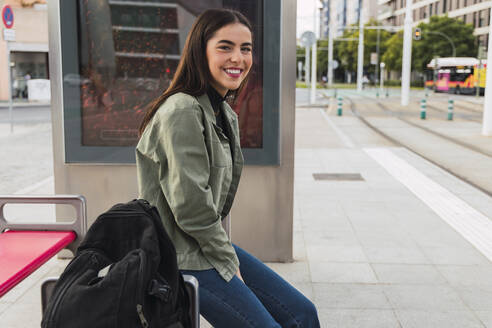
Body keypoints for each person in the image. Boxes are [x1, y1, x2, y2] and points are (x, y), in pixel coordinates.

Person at [136, 8, 320, 328]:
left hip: (203, 245)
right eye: (225, 47)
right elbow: (191, 208)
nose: (238, 57)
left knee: (302, 314)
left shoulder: (221, 111)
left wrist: (223, 253)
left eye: (245, 48)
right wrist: (226, 259)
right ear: (200, 51)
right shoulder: (182, 110)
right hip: (179, 256)